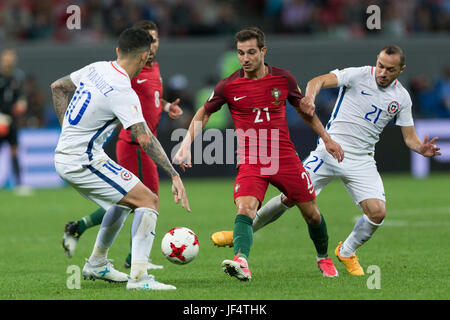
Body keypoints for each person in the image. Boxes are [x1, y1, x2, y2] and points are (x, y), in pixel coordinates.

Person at [211, 45, 441, 276]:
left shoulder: (401, 98)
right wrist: (309, 98)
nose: (382, 72)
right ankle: (242, 232)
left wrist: (421, 148)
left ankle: (347, 251)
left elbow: (410, 138)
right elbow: (317, 81)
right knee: (289, 198)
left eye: (390, 69)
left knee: (377, 213)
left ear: (401, 70)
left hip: (362, 159)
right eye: (380, 65)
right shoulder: (358, 75)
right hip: (328, 153)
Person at [173, 27, 344, 281]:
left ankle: (323, 258)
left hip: (283, 156)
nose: (245, 58)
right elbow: (204, 112)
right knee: (245, 208)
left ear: (263, 51)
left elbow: (304, 111)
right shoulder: (228, 85)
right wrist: (187, 142)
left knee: (312, 213)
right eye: (241, 53)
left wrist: (327, 139)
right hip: (251, 159)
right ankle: (241, 261)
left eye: (251, 52)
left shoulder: (283, 79)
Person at [51, 27, 190, 290]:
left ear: (118, 51)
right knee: (149, 200)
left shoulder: (97, 68)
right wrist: (174, 174)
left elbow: (57, 87)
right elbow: (145, 138)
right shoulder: (122, 89)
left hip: (79, 155)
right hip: (83, 161)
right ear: (143, 57)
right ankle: (139, 278)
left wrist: (68, 131)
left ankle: (97, 263)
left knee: (125, 201)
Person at [0, 49, 30, 194]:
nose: (10, 61)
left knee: (14, 151)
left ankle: (19, 184)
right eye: (7, 58)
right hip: (0, 119)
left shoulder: (18, 76)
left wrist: (22, 103)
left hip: (11, 121)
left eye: (12, 58)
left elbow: (21, 96)